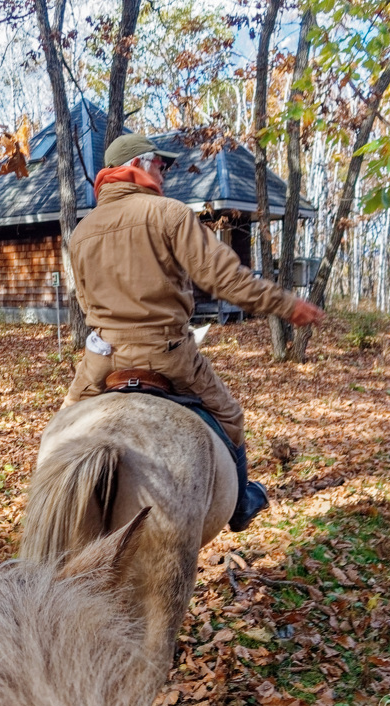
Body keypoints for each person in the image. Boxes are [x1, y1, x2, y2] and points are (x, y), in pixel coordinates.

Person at [64, 133, 324, 531]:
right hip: (166, 355)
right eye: (161, 166)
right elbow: (226, 279)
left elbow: (84, 302)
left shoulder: (81, 233)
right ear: (138, 166)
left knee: (61, 432)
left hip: (100, 360)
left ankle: (47, 507)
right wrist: (287, 305)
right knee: (230, 414)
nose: (165, 174)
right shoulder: (169, 214)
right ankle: (239, 505)